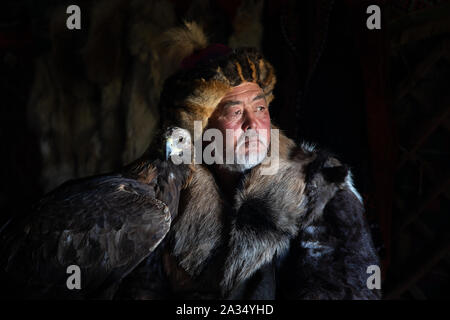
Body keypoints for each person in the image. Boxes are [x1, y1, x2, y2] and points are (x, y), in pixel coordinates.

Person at [113, 22, 382, 300]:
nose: (253, 124)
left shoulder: (317, 181)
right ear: (199, 128)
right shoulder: (163, 197)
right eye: (235, 112)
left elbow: (345, 290)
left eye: (260, 107)